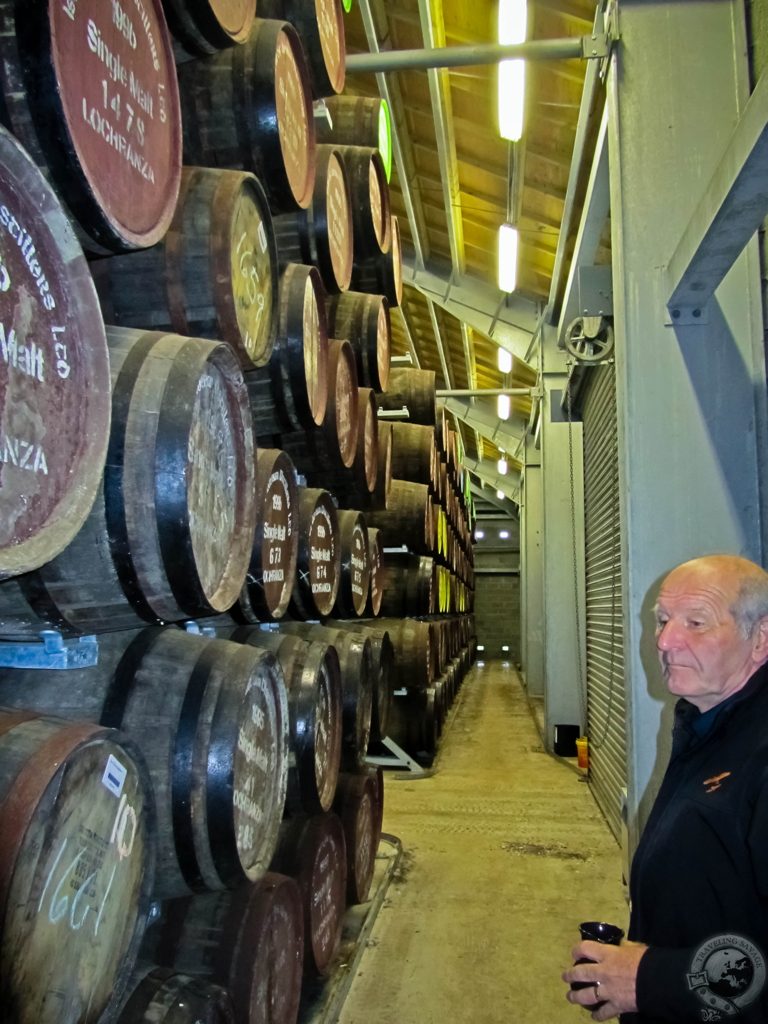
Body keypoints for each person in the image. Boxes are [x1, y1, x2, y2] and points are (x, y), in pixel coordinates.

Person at [562, 554, 768, 1022]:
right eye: (662, 619)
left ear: (760, 639)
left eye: (696, 622)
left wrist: (652, 978)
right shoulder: (709, 723)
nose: (665, 641)